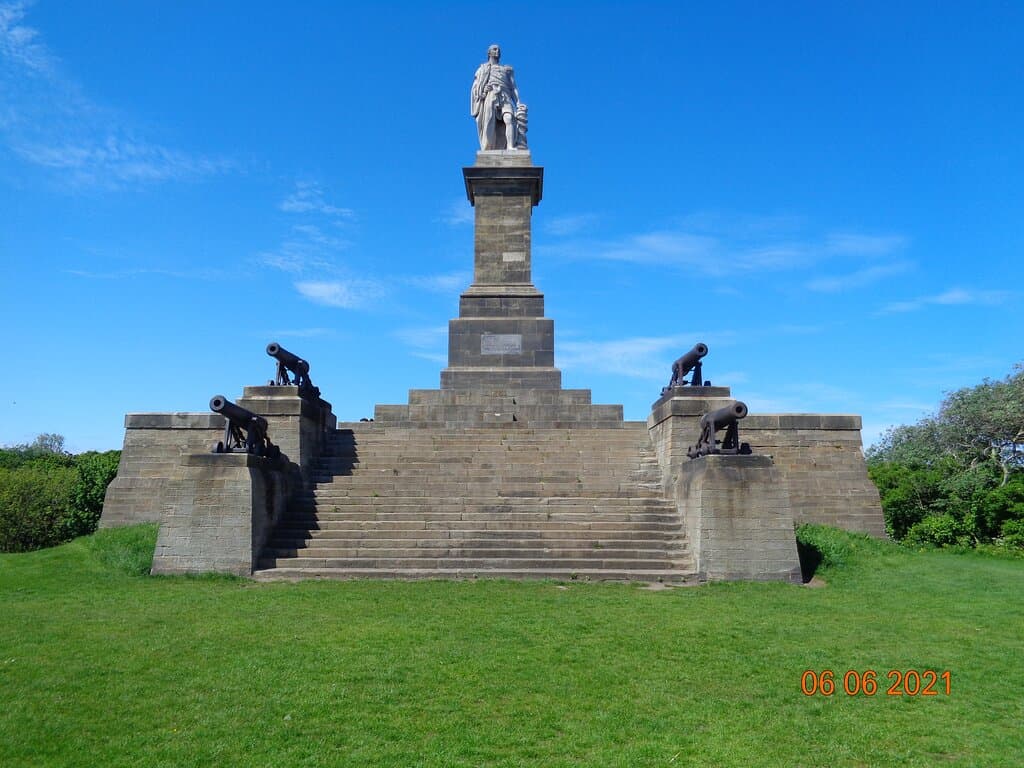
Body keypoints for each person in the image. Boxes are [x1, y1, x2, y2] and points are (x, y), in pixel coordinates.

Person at [470, 44, 523, 151]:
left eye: (498, 49)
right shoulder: (482, 69)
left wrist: (518, 102)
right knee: (489, 122)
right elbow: (475, 87)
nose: (497, 51)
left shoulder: (507, 70)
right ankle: (488, 148)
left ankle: (510, 146)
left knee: (509, 118)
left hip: (505, 96)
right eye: (494, 49)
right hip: (491, 95)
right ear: (489, 53)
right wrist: (482, 91)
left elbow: (513, 88)